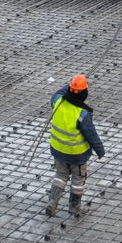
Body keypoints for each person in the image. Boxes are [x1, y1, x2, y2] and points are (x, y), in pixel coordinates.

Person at [44, 73, 105, 217]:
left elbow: (58, 93)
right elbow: (91, 135)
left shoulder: (57, 102)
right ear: (84, 95)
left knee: (60, 175)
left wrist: (71, 85)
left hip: (59, 151)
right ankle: (74, 207)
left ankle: (53, 201)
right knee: (78, 180)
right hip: (77, 155)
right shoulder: (82, 114)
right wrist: (100, 150)